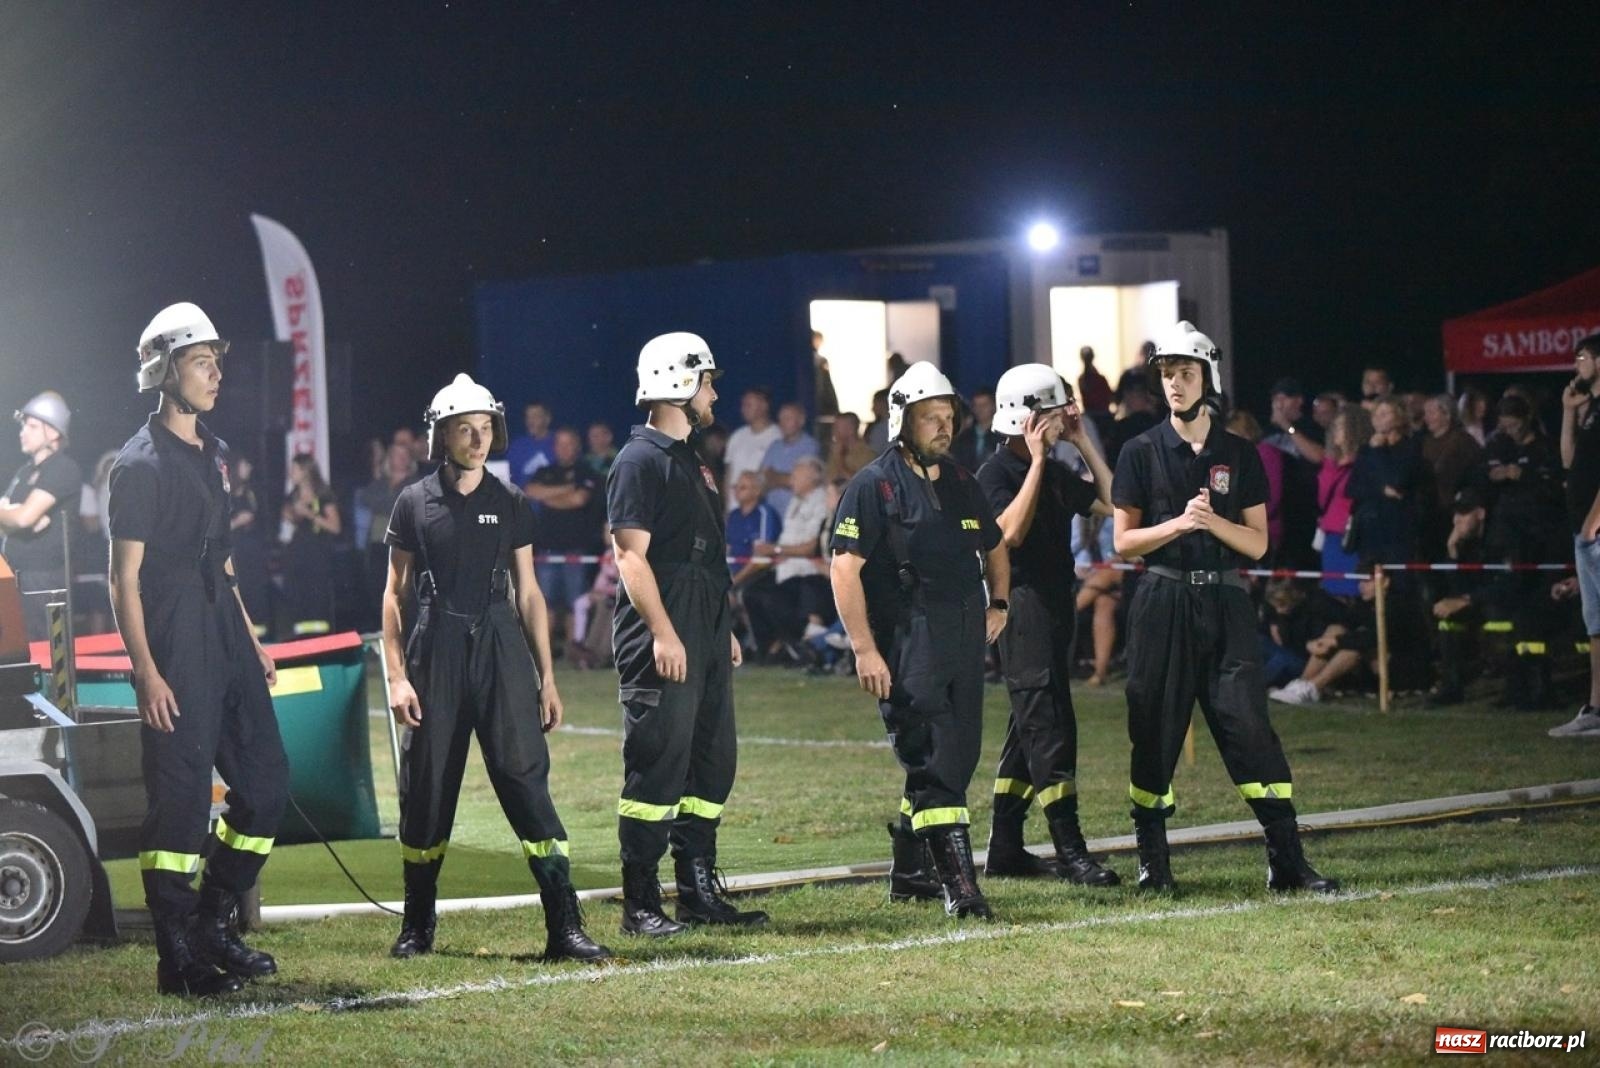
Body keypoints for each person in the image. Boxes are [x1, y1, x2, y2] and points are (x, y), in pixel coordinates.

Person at [382, 374, 608, 963]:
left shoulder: (510, 502)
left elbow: (530, 594)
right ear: (443, 435)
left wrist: (548, 676)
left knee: (524, 778)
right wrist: (397, 674)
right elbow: (394, 593)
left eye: (485, 429)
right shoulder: (413, 502)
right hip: (436, 650)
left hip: (501, 645)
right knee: (427, 788)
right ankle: (417, 925)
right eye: (465, 429)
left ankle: (565, 927)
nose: (477, 439)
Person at [1111, 320, 1335, 895]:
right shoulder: (1139, 450)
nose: (1174, 384)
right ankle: (1153, 866)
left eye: (1184, 373)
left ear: (1207, 376)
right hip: (1162, 599)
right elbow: (1123, 542)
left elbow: (1258, 543)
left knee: (1250, 728)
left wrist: (1214, 523)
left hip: (1227, 601)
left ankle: (1287, 861)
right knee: (1155, 729)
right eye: (1165, 374)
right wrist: (1181, 523)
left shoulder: (1240, 453)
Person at [108, 303, 287, 997]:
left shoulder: (211, 452)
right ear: (165, 369)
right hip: (175, 639)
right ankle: (177, 957)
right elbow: (124, 581)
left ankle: (215, 919)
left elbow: (227, 561)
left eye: (217, 361)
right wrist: (147, 672)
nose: (215, 374)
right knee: (180, 807)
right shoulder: (138, 464)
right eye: (201, 361)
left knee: (267, 786)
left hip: (224, 633)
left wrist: (251, 639)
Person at [829, 361, 1009, 918]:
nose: (943, 426)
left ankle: (909, 872)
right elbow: (843, 568)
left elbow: (996, 544)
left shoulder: (961, 480)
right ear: (901, 421)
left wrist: (999, 602)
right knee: (932, 758)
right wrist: (864, 648)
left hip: (962, 631)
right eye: (930, 417)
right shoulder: (873, 484)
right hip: (909, 636)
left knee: (959, 754)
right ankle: (960, 885)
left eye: (947, 416)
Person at [607, 332, 767, 935]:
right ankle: (640, 903)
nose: (714, 394)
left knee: (711, 762)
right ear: (679, 382)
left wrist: (718, 628)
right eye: (708, 381)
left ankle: (697, 891)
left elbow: (703, 557)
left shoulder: (691, 464)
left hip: (701, 627)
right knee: (657, 765)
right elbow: (631, 558)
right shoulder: (638, 460)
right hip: (664, 630)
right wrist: (665, 634)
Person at [977, 364, 1118, 886]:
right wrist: (1038, 462)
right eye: (1058, 412)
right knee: (1050, 728)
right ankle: (1071, 850)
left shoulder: (1058, 468)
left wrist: (1080, 442)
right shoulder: (994, 476)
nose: (1066, 417)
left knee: (1028, 728)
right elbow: (1007, 535)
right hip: (1022, 608)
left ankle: (1006, 848)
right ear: (1029, 417)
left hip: (1058, 605)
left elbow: (1115, 503)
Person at [1, 391, 82, 640]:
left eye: (32, 425)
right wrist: (11, 517)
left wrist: (16, 516)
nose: (23, 431)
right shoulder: (25, 472)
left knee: (43, 651)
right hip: (16, 575)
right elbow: (15, 519)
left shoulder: (62, 468)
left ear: (54, 432)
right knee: (17, 650)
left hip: (44, 581)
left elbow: (24, 518)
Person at [1550, 334, 1600, 737]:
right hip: (1583, 528)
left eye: (1581, 357)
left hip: (1594, 527)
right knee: (1595, 623)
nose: (1576, 364)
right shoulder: (1591, 409)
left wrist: (1593, 520)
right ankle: (1596, 708)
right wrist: (1569, 412)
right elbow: (1568, 460)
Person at [744, 455, 833, 662]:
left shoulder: (820, 501)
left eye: (796, 474)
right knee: (751, 594)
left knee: (772, 600)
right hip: (785, 567)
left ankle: (796, 646)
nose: (791, 479)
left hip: (806, 571)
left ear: (812, 477)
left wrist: (775, 550)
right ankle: (769, 648)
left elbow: (812, 546)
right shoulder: (795, 500)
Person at [525, 427, 603, 656]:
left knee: (573, 605)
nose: (564, 448)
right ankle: (544, 654)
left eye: (569, 443)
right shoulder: (544, 470)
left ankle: (573, 652)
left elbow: (579, 499)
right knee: (545, 605)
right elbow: (531, 491)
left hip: (576, 550)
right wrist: (565, 490)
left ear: (577, 446)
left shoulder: (586, 471)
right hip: (547, 549)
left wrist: (549, 496)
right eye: (560, 443)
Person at [1346, 397, 1419, 565]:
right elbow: (1352, 488)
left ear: (1399, 418)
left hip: (1398, 529)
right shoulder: (1366, 450)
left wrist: (1379, 452)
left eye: (1384, 414)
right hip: (1370, 528)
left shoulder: (1410, 448)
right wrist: (1381, 490)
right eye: (1375, 414)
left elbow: (1396, 480)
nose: (1378, 419)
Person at [1262, 378, 1326, 568]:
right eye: (1276, 399)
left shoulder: (1310, 428)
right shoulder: (1265, 431)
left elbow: (1317, 456)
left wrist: (1287, 427)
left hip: (1304, 510)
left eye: (1284, 399)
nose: (1278, 405)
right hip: (1276, 514)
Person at [356, 442, 419, 631]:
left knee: (403, 594)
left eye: (404, 455)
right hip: (377, 545)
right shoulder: (379, 483)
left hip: (403, 547)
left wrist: (386, 504)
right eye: (396, 454)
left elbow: (399, 504)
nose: (400, 459)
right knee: (377, 592)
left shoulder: (415, 483)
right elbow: (366, 499)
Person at [280, 454, 341, 635]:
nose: (291, 473)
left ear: (306, 471)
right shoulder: (292, 496)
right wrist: (289, 515)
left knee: (317, 597)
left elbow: (336, 527)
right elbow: (288, 524)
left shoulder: (323, 495)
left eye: (294, 469)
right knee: (297, 596)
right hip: (297, 553)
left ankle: (321, 639)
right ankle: (301, 638)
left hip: (317, 553)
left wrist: (309, 514)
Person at [1419, 393, 1482, 561]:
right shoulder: (1423, 443)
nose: (1426, 418)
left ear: (1447, 414)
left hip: (1452, 513)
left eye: (1432, 413)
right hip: (1428, 512)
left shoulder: (1462, 441)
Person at [1317, 404, 1370, 597]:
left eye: (1340, 425)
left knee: (1353, 591)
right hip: (1331, 535)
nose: (1335, 430)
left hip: (1351, 537)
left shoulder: (1364, 462)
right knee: (1333, 591)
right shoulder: (1332, 463)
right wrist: (1331, 463)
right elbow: (1322, 498)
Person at [723, 387, 781, 511]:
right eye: (743, 405)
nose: (744, 409)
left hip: (760, 508)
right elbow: (729, 474)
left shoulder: (777, 437)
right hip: (734, 509)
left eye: (749, 405)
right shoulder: (737, 436)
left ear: (764, 405)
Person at [759, 402, 821, 515]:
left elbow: (803, 481)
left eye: (787, 418)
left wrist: (774, 477)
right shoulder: (774, 446)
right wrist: (784, 478)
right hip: (772, 513)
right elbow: (763, 477)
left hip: (798, 514)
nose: (782, 423)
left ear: (801, 421)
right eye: (781, 419)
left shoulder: (810, 446)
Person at [506, 402, 555, 488]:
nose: (530, 421)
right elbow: (508, 478)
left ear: (547, 419)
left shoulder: (559, 442)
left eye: (536, 416)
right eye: (528, 417)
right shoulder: (517, 446)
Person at [950, 388, 996, 472]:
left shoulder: (1001, 437)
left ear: (993, 406)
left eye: (984, 405)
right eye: (976, 405)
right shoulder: (964, 437)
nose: (980, 409)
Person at [824, 412, 876, 484]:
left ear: (851, 429)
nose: (833, 431)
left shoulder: (867, 454)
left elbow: (858, 482)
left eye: (837, 427)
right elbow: (828, 477)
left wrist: (839, 459)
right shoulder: (837, 449)